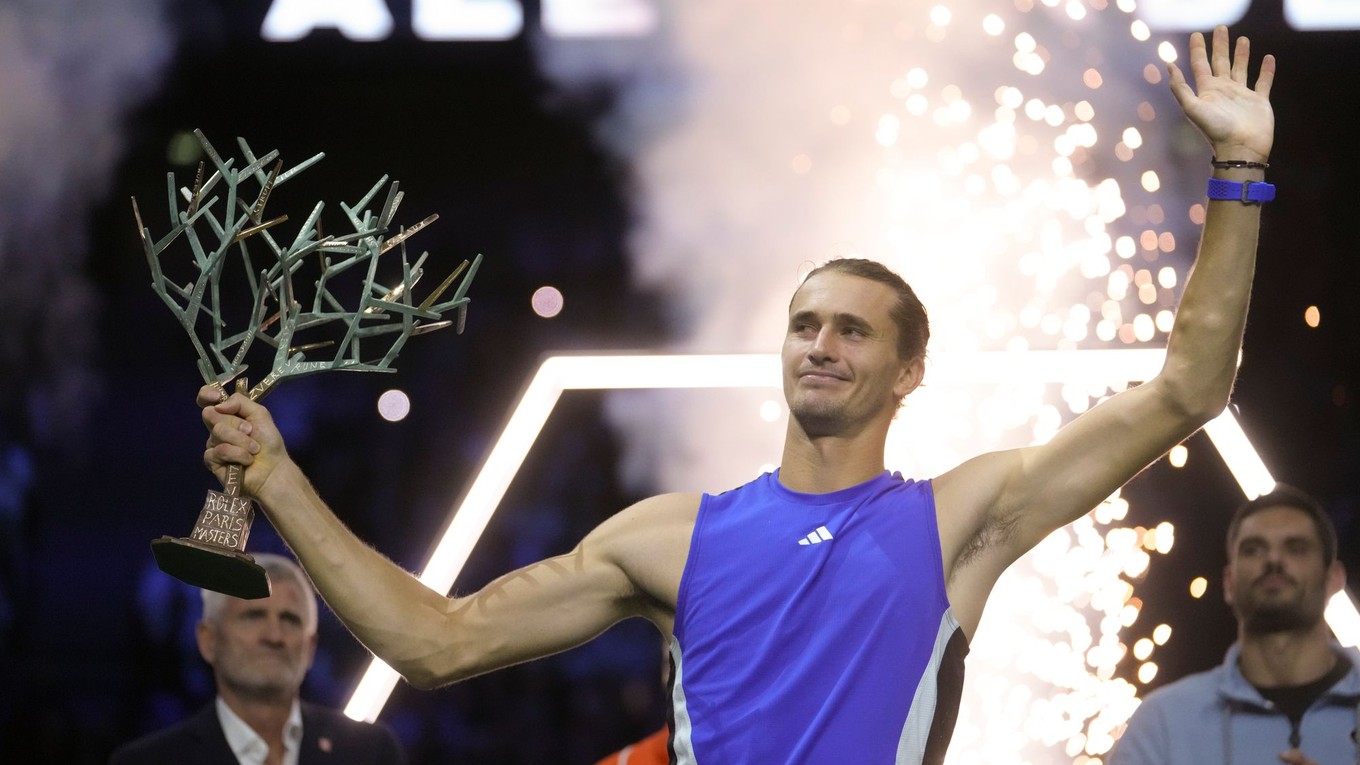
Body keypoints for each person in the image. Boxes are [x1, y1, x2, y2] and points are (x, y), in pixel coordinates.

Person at [199, 26, 1276, 765]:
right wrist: (280, 481)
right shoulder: (670, 539)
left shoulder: (960, 517)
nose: (817, 344)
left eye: (851, 330)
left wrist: (1235, 170)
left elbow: (1188, 387)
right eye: (803, 324)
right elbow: (432, 644)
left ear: (908, 374)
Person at [1111, 486, 1360, 765]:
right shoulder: (1163, 721)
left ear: (1334, 578)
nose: (1274, 560)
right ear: (1228, 582)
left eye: (1296, 548)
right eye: (1253, 550)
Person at [109, 553, 405, 765]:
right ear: (208, 640)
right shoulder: (148, 761)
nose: (274, 636)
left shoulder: (371, 753)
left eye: (290, 620)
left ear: (310, 647)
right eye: (253, 616)